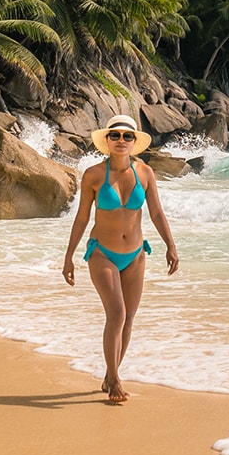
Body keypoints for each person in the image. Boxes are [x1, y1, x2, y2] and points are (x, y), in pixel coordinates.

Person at [62, 114, 179, 404]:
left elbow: (156, 213)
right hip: (102, 253)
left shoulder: (145, 173)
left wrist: (171, 246)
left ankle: (110, 373)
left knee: (128, 320)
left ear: (135, 142)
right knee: (116, 314)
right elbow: (81, 219)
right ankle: (114, 380)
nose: (121, 140)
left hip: (137, 255)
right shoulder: (93, 175)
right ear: (107, 140)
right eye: (115, 135)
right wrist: (69, 257)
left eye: (127, 136)